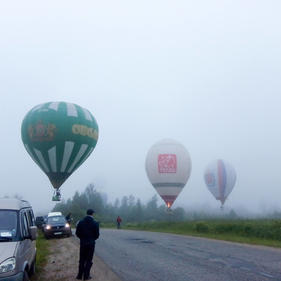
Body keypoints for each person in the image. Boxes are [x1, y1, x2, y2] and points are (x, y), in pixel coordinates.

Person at [75, 209, 99, 280]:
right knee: (89, 260)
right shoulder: (95, 223)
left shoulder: (80, 222)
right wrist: (92, 239)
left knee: (82, 259)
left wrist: (82, 238)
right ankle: (86, 276)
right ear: (92, 214)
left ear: (86, 213)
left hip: (83, 243)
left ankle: (79, 276)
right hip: (91, 244)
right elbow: (97, 235)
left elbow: (77, 233)